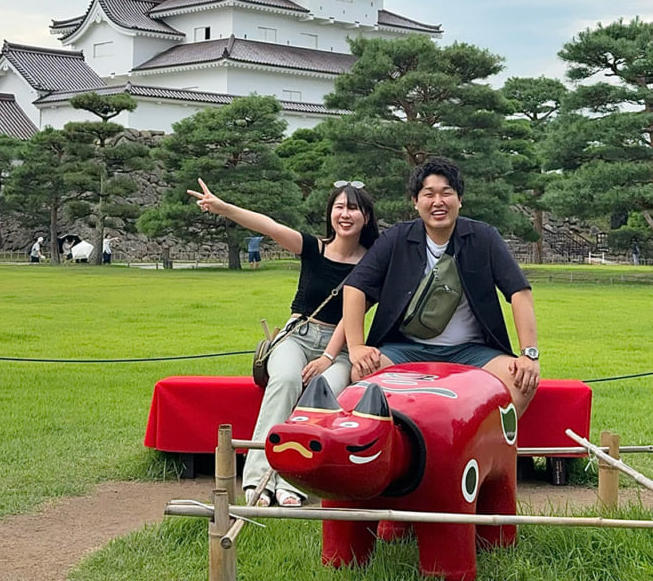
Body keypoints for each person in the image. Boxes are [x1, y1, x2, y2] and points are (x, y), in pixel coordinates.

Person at [187, 177, 379, 508]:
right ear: (330, 214)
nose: (345, 214)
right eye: (339, 207)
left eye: (353, 208)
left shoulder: (373, 262)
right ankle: (258, 478)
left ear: (366, 216)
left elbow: (352, 316)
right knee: (288, 379)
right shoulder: (313, 247)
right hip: (298, 336)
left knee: (322, 393)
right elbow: (270, 226)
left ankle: (295, 478)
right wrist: (222, 207)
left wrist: (329, 358)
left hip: (343, 346)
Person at [343, 156, 540, 417]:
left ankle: (483, 450)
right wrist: (356, 347)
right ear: (415, 201)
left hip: (473, 350)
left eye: (447, 193)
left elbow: (519, 292)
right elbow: (355, 287)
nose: (438, 202)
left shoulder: (483, 238)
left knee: (521, 381)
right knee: (363, 371)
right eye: (429, 194)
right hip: (406, 348)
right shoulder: (397, 238)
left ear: (460, 199)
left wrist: (529, 354)